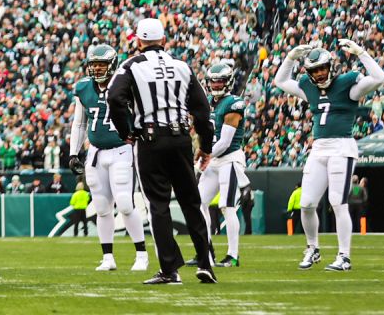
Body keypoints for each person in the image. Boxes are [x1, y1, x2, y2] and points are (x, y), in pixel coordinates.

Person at [106, 17, 216, 286]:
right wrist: (206, 145)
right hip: (180, 139)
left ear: (139, 41)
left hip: (151, 140)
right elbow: (202, 109)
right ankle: (206, 263)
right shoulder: (182, 66)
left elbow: (114, 97)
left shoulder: (130, 66)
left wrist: (127, 131)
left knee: (158, 205)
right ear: (164, 40)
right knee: (191, 203)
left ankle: (170, 269)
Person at [274, 39, 384, 271]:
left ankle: (344, 256)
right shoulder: (308, 87)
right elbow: (281, 80)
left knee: (338, 202)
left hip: (342, 147)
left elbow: (379, 78)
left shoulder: (347, 84)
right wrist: (290, 57)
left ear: (331, 66)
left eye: (323, 68)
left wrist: (361, 52)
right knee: (306, 203)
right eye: (315, 70)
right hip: (319, 148)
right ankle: (312, 248)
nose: (320, 73)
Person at [68, 43, 148, 272]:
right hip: (95, 152)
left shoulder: (126, 86)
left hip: (122, 149)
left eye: (101, 64)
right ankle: (108, 258)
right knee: (102, 207)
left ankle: (141, 255)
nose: (97, 68)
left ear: (112, 64)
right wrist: (74, 152)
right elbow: (79, 122)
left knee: (124, 203)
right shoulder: (84, 88)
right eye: (94, 64)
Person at [196, 61, 249, 268]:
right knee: (198, 203)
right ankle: (205, 250)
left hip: (229, 159)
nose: (216, 85)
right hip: (213, 159)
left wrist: (205, 154)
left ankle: (233, 255)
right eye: (213, 82)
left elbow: (226, 141)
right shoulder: (208, 101)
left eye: (220, 82)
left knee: (227, 206)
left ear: (228, 82)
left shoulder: (233, 103)